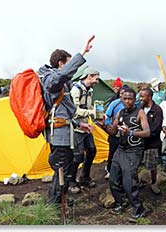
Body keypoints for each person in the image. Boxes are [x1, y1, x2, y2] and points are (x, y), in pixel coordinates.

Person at [38, 35, 95, 204]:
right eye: (70, 64)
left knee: (66, 167)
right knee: (61, 169)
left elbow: (67, 110)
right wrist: (82, 53)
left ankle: (59, 198)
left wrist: (80, 124)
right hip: (59, 136)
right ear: (61, 64)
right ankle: (53, 205)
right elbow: (58, 78)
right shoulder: (50, 78)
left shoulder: (63, 84)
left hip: (66, 133)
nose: (73, 70)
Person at [101, 88, 150, 219]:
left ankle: (139, 209)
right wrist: (103, 125)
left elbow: (147, 132)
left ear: (135, 100)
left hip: (134, 151)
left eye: (130, 99)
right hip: (120, 149)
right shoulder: (120, 112)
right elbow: (112, 132)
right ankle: (120, 203)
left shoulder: (140, 113)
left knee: (129, 182)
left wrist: (131, 133)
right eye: (125, 98)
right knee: (113, 180)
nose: (127, 101)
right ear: (121, 99)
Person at [69, 67, 100, 193]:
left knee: (92, 150)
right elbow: (73, 111)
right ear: (89, 76)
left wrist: (97, 112)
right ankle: (71, 182)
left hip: (86, 127)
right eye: (96, 78)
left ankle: (84, 177)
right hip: (76, 128)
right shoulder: (76, 90)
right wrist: (91, 112)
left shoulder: (89, 91)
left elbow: (88, 107)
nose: (97, 81)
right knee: (77, 157)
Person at [139, 88, 164, 194]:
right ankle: (137, 182)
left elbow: (156, 127)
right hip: (140, 142)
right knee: (136, 163)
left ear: (149, 97)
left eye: (142, 96)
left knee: (152, 165)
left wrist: (144, 134)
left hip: (152, 143)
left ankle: (153, 183)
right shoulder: (140, 109)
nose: (140, 98)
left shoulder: (157, 110)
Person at [103, 87, 126, 179]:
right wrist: (109, 126)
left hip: (125, 133)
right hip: (115, 132)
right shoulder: (115, 103)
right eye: (121, 94)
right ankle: (109, 170)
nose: (122, 96)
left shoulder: (132, 104)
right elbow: (107, 115)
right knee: (112, 152)